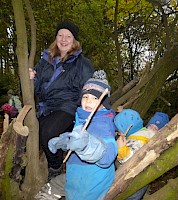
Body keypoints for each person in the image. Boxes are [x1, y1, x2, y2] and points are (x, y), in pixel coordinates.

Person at [35, 70, 118, 200]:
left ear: (103, 103)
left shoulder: (104, 124)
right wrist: (64, 141)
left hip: (91, 183)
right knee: (56, 185)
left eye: (95, 98)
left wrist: (86, 146)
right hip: (75, 175)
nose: (88, 101)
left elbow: (108, 155)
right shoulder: (81, 117)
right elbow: (77, 138)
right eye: (85, 97)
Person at [29, 20, 94, 180]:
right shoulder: (45, 60)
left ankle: (55, 168)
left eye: (68, 37)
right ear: (56, 38)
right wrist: (31, 79)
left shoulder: (82, 64)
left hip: (67, 108)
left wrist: (82, 119)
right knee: (30, 135)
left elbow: (89, 90)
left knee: (49, 132)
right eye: (60, 35)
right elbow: (35, 89)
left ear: (74, 41)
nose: (64, 40)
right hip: (45, 108)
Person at [115, 110, 169, 200]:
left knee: (132, 195)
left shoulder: (143, 138)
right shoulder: (142, 134)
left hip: (133, 176)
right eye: (151, 125)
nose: (152, 129)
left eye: (156, 128)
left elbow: (130, 159)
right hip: (141, 174)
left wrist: (121, 150)